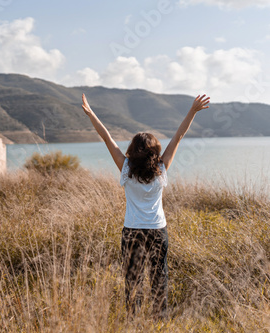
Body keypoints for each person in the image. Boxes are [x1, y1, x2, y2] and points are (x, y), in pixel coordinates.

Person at [81, 93, 210, 318]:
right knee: (159, 275)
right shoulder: (161, 168)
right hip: (157, 230)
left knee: (133, 278)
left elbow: (107, 138)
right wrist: (193, 111)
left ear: (132, 148)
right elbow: (178, 137)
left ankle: (133, 319)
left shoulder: (125, 167)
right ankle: (159, 318)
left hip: (132, 230)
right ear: (155, 150)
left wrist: (91, 114)